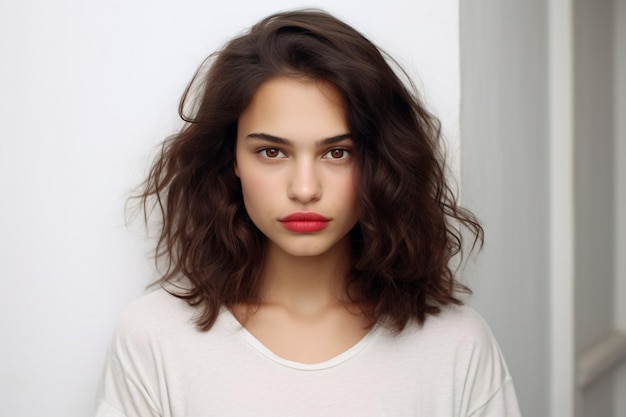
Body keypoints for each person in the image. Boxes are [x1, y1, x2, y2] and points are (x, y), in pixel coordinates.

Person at [95, 9, 522, 417]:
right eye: (271, 151)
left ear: (379, 161)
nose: (304, 189)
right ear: (232, 160)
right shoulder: (154, 338)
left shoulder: (455, 345)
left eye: (337, 152)